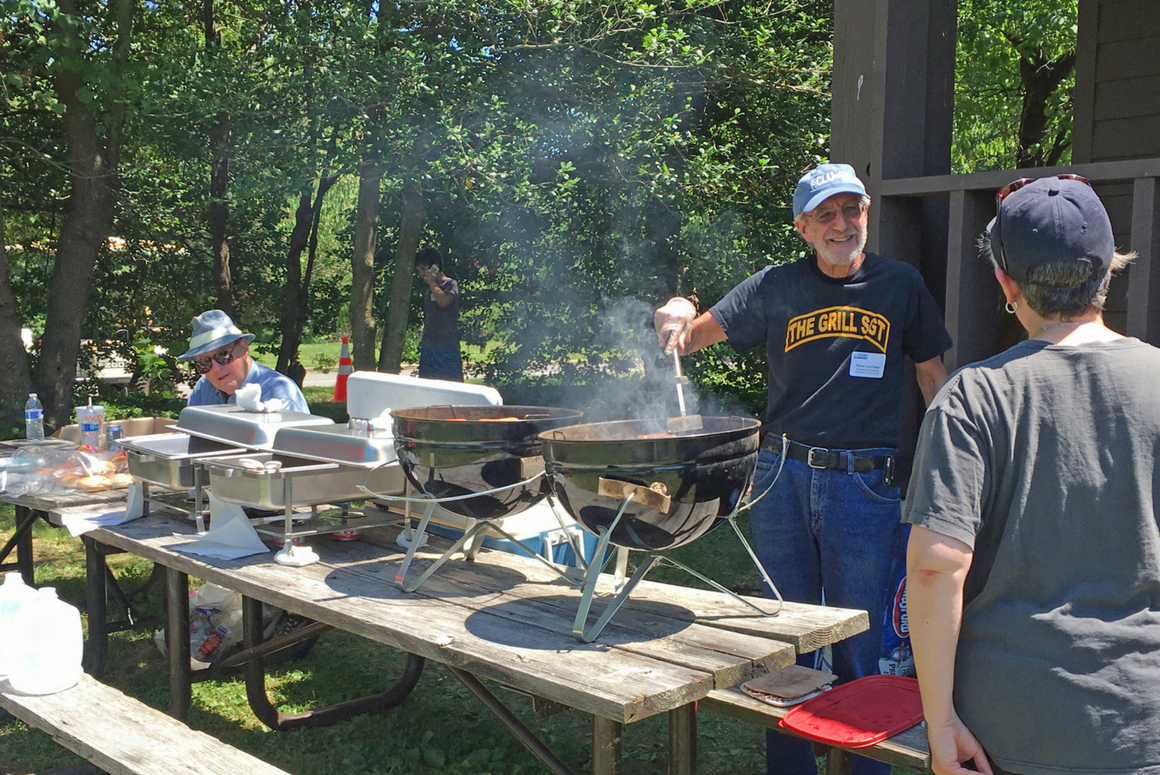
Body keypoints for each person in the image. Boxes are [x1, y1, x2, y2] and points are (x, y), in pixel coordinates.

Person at [654, 163, 951, 775]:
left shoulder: (901, 285)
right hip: (779, 475)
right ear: (803, 228)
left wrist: (947, 471)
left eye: (852, 210)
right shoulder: (774, 286)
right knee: (780, 642)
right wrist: (679, 307)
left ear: (866, 213)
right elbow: (690, 337)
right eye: (826, 215)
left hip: (864, 483)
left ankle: (863, 765)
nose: (843, 225)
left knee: (860, 642)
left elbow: (933, 380)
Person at [904, 176, 1157, 775]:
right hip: (1142, 724)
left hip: (1010, 732)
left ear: (1006, 283)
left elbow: (936, 565)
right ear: (1109, 270)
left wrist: (939, 723)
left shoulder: (971, 398)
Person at [178, 309, 309, 413]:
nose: (216, 367)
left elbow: (300, 445)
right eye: (205, 362)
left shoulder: (279, 393)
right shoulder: (203, 388)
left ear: (244, 347)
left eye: (223, 355)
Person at [414, 246, 463, 382]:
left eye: (424, 269)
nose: (421, 274)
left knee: (451, 390)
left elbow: (444, 301)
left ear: (434, 267)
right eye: (419, 270)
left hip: (447, 349)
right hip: (429, 348)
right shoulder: (429, 291)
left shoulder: (451, 284)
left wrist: (432, 282)